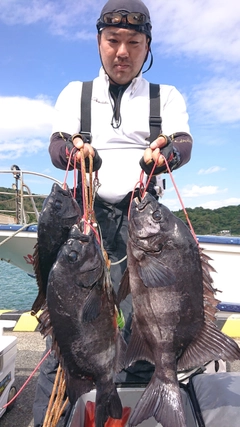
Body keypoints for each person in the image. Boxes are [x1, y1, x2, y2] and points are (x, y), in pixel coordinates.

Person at [33, 0, 193, 425]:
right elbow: (56, 149)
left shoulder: (166, 97)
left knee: (142, 324)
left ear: (147, 46)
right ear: (99, 42)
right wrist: (75, 151)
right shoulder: (76, 93)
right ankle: (57, 410)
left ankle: (144, 406)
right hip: (85, 223)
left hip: (141, 221)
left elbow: (183, 145)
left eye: (133, 42)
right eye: (113, 41)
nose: (122, 51)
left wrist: (166, 156)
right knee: (69, 325)